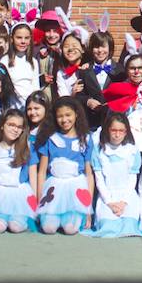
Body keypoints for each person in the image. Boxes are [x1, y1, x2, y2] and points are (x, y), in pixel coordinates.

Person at [35, 97, 95, 234]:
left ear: (76, 114)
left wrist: (87, 208)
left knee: (70, 229)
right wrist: (40, 201)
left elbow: (89, 174)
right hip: (53, 188)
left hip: (76, 188)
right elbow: (42, 172)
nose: (64, 120)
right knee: (48, 228)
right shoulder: (50, 138)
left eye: (68, 115)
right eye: (60, 116)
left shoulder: (85, 139)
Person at [0, 109, 39, 233]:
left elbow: (33, 178)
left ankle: (19, 219)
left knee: (16, 226)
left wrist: (34, 205)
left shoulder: (28, 147)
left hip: (20, 194)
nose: (15, 129)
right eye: (11, 125)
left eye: (19, 127)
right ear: (2, 125)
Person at [84, 112, 142, 238]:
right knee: (108, 227)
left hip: (127, 195)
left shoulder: (132, 150)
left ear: (126, 131)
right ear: (107, 130)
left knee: (129, 226)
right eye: (114, 130)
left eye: (121, 131)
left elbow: (133, 179)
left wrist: (124, 202)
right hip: (107, 195)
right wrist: (109, 202)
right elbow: (99, 180)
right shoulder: (100, 150)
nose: (117, 134)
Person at [7, 19, 41, 104]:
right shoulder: (5, 61)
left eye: (26, 38)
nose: (23, 41)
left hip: (29, 107)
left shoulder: (33, 62)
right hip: (11, 106)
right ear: (11, 39)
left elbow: (36, 88)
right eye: (19, 38)